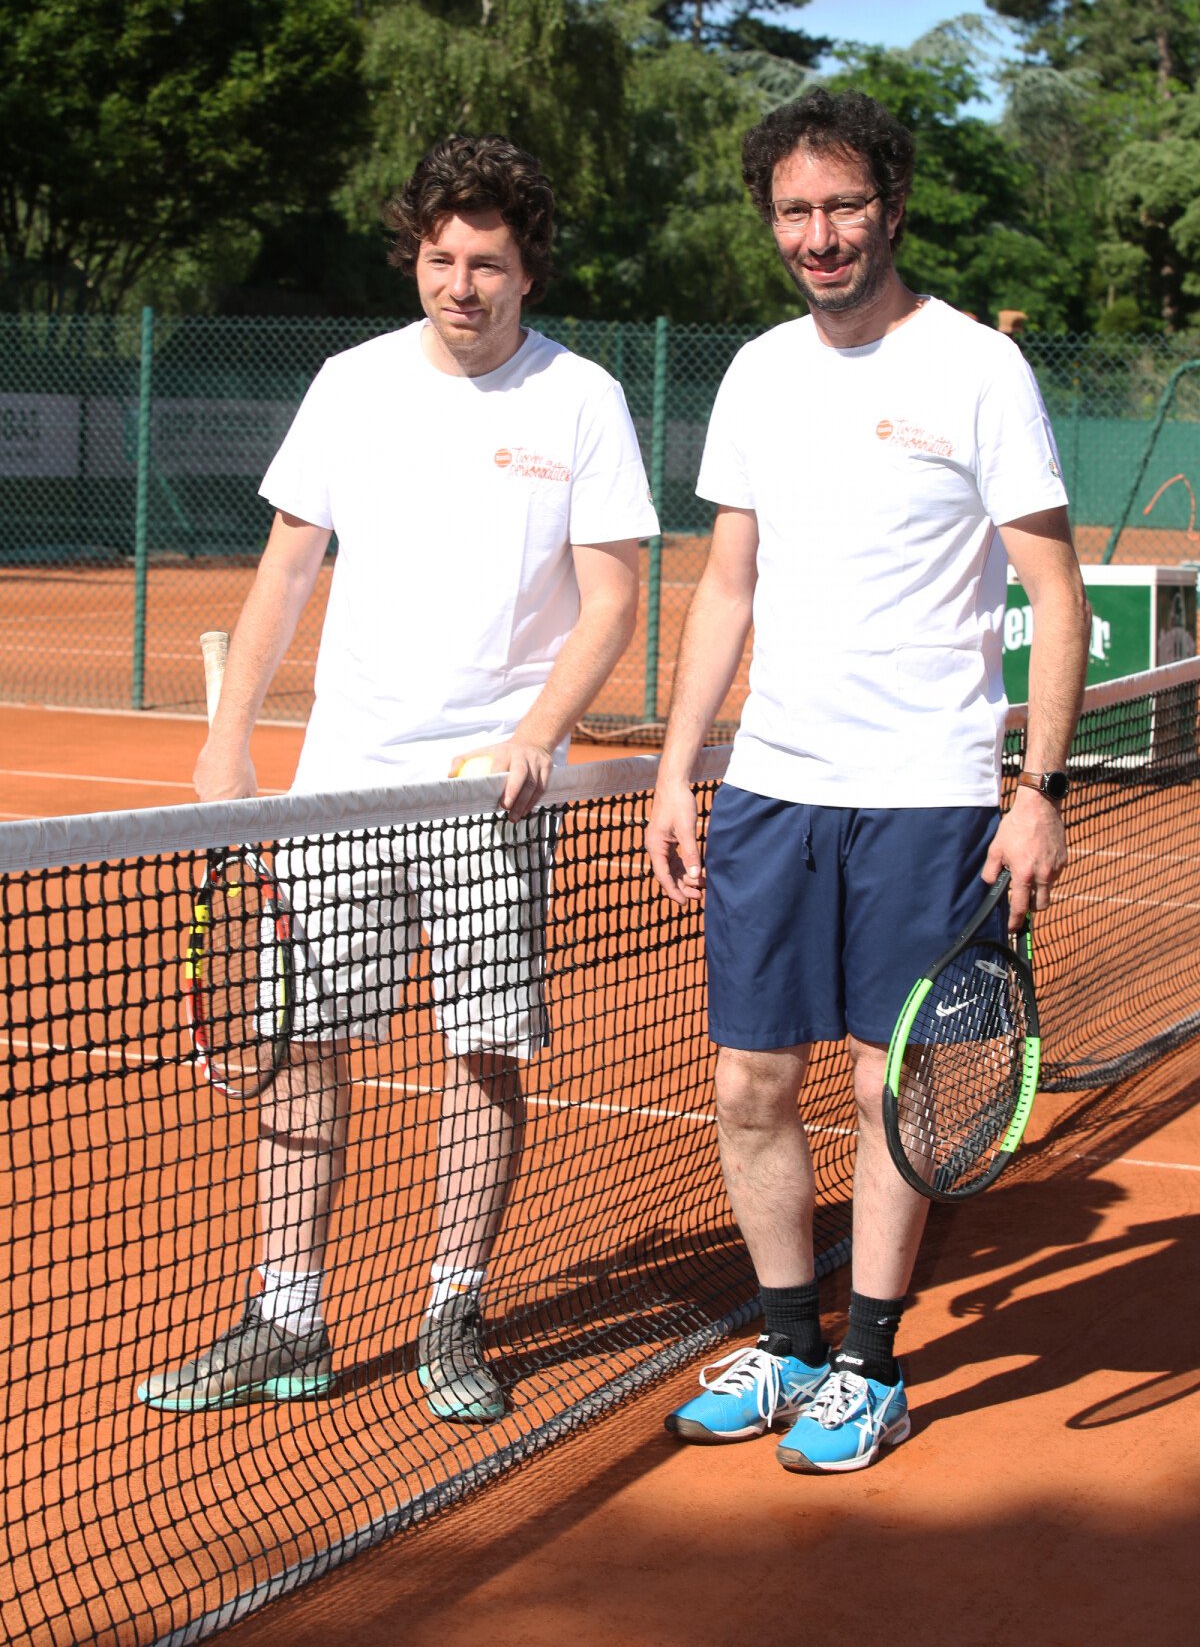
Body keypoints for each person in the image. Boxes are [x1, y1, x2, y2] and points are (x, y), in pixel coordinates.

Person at [138, 134, 659, 1421]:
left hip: (490, 792)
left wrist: (539, 729)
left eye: (488, 262)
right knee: (305, 1041)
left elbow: (613, 598)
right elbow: (286, 566)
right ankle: (288, 1317)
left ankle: (450, 1312)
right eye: (441, 259)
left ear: (527, 269)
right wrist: (225, 737)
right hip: (345, 783)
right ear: (415, 258)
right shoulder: (350, 385)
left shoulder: (581, 398)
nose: (462, 284)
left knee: (482, 1053)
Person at [646, 89, 1089, 1474]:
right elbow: (727, 586)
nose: (821, 234)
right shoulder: (761, 372)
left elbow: (1056, 593)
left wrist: (1041, 787)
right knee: (745, 1084)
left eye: (844, 206)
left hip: (928, 791)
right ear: (771, 221)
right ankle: (783, 1343)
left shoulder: (975, 369)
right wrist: (677, 771)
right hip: (774, 788)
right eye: (795, 211)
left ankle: (871, 1363)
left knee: (883, 1088)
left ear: (890, 205)